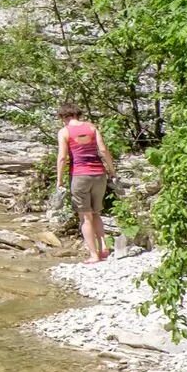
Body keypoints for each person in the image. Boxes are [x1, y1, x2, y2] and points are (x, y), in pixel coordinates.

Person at [56, 102, 116, 263]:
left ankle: (93, 255)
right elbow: (103, 150)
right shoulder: (91, 127)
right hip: (99, 174)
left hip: (79, 176)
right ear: (78, 114)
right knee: (96, 213)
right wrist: (112, 171)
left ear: (63, 117)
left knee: (85, 217)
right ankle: (104, 247)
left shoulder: (64, 132)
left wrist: (59, 180)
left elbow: (62, 157)